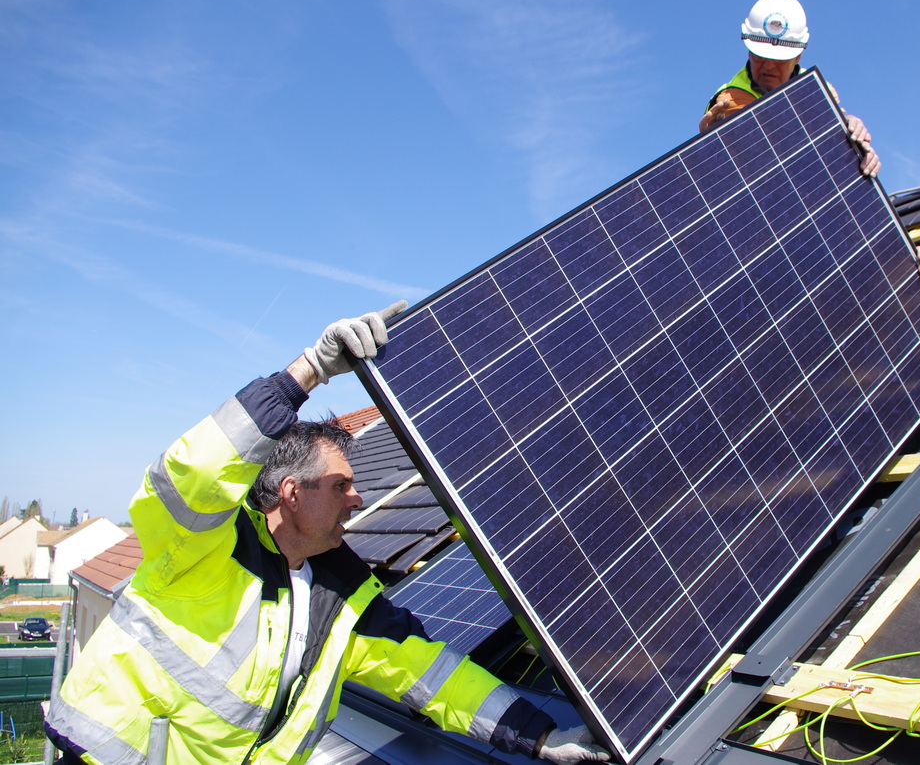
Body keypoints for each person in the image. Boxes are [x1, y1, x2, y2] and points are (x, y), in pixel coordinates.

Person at [45, 303, 610, 765]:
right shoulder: (200, 547)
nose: (358, 499)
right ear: (292, 494)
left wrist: (537, 736)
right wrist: (308, 370)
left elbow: (432, 675)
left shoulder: (342, 594)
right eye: (340, 486)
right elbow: (196, 471)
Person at [699, 0, 920, 281]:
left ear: (799, 55)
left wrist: (900, 253)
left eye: (779, 59)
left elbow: (837, 189)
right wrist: (710, 136)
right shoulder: (731, 100)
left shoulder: (821, 94)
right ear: (748, 51)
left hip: (822, 240)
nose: (769, 67)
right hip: (767, 244)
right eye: (761, 57)